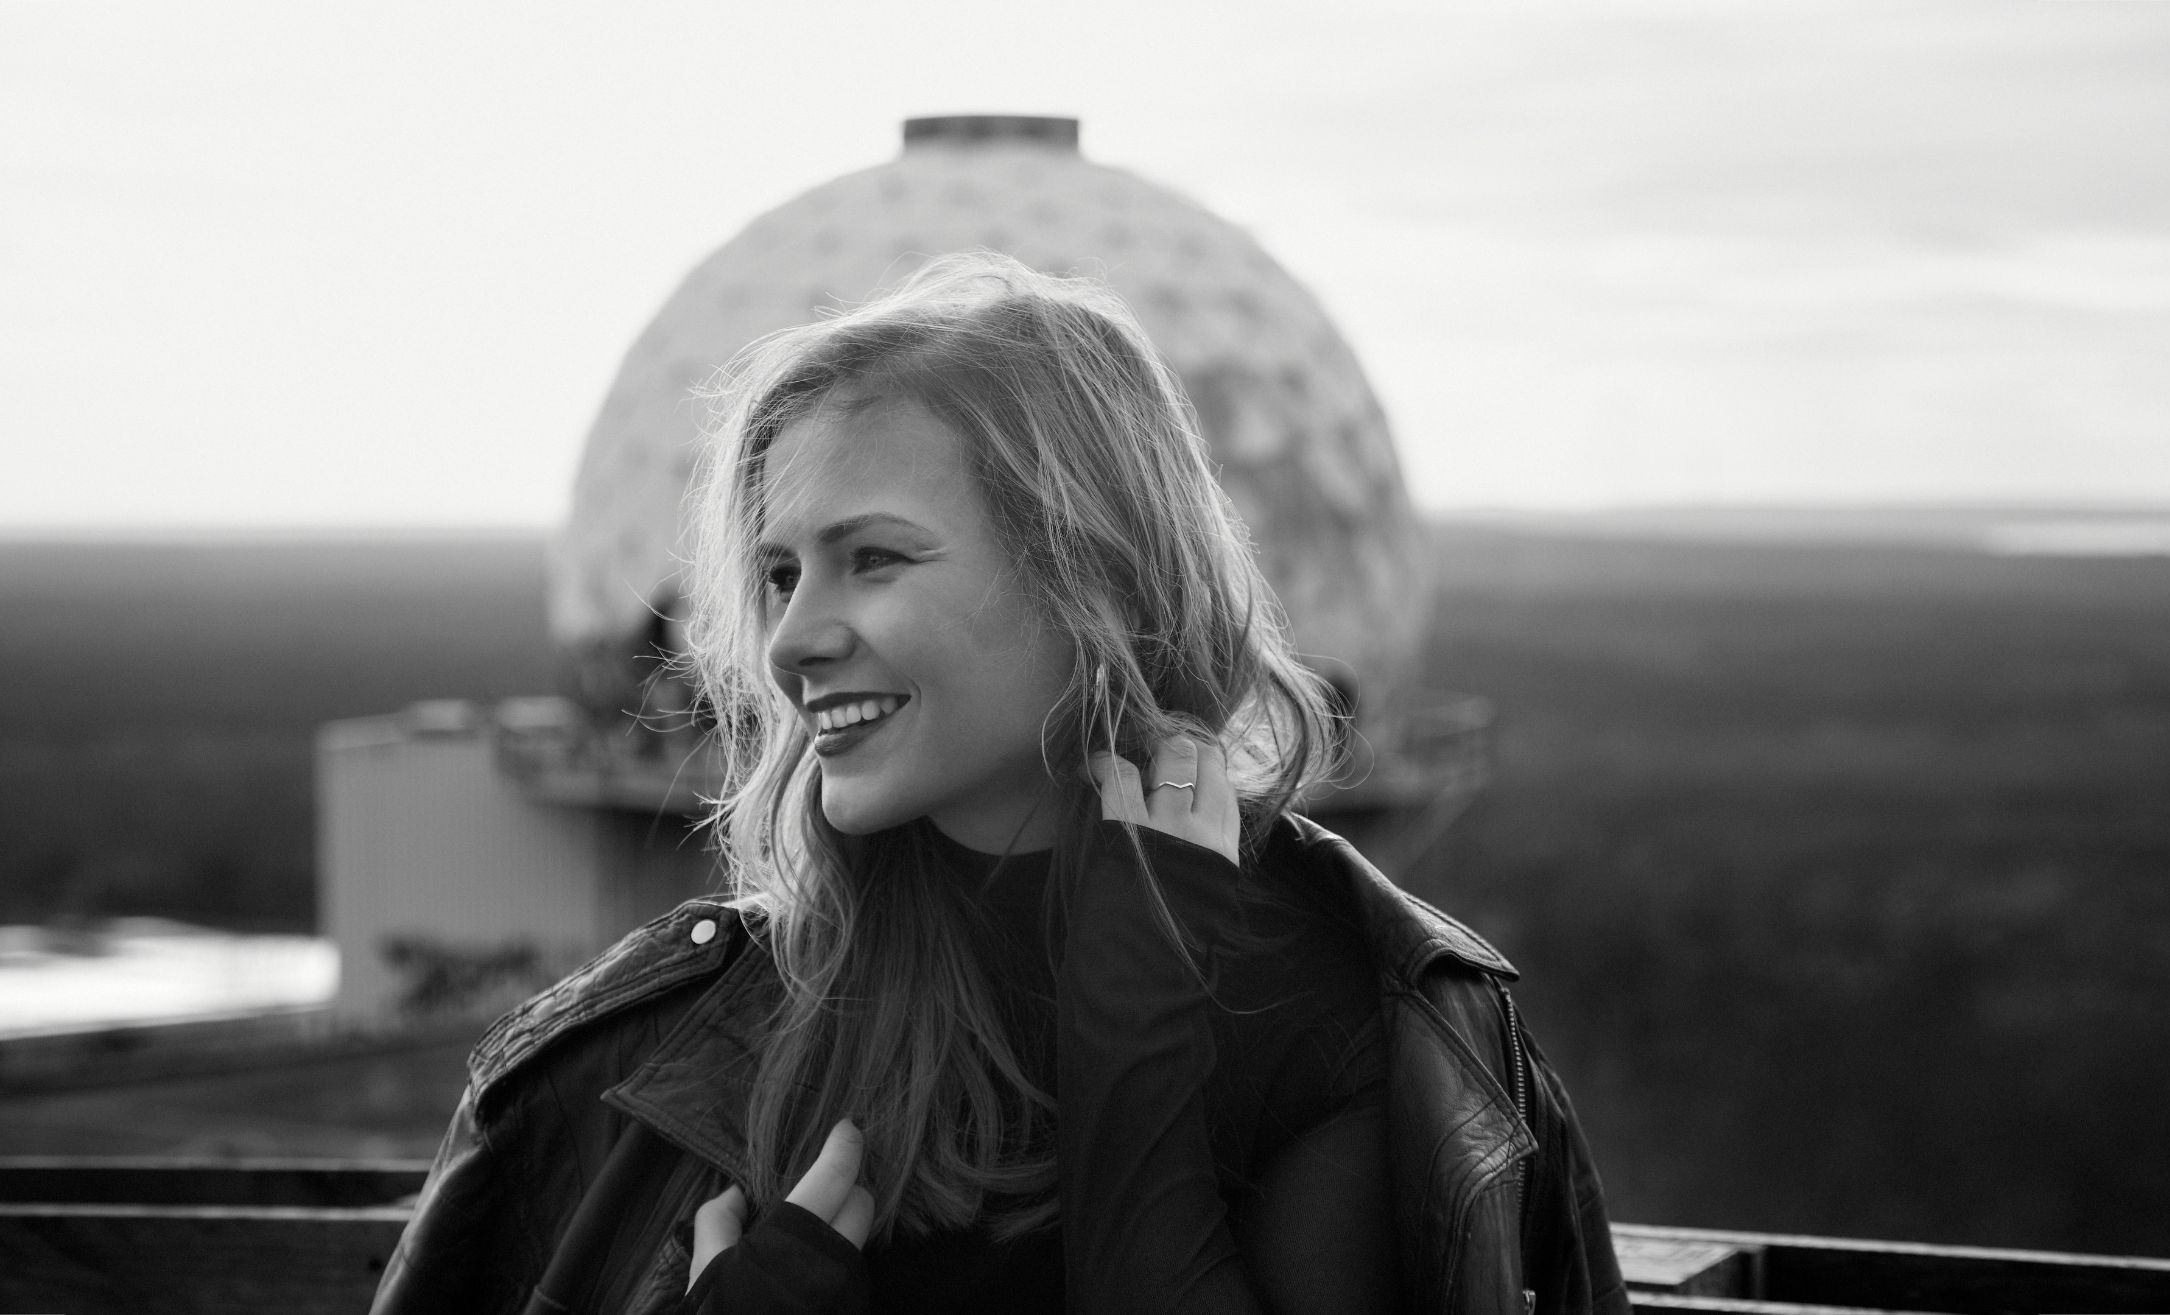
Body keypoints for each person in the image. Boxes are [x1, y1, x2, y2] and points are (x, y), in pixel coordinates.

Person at [370, 252, 1627, 1315]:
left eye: (874, 558)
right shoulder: (676, 1040)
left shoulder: (1347, 1026)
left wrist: (1139, 1043)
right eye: (779, 574)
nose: (792, 640)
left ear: (1091, 580)